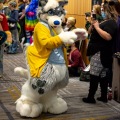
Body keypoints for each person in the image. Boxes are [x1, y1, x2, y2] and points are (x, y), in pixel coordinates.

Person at [82, 0, 118, 104]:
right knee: (102, 75)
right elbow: (91, 32)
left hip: (100, 52)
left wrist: (97, 27)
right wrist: (94, 26)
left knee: (94, 75)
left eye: (103, 9)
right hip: (100, 52)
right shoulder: (104, 21)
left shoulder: (111, 23)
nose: (101, 11)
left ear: (108, 11)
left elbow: (108, 36)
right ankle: (103, 96)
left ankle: (91, 97)